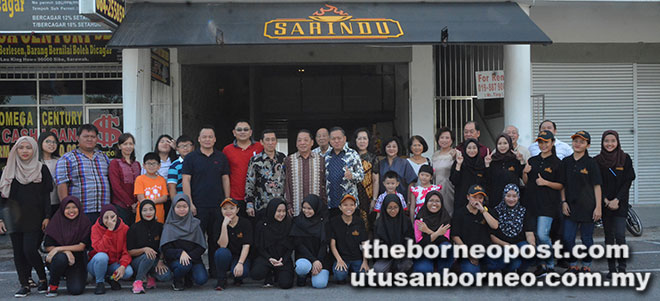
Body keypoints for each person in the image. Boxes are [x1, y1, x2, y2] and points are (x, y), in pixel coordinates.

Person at [0, 136, 53, 297]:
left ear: (34, 149)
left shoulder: (41, 169)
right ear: (16, 149)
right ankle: (24, 283)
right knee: (18, 252)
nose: (24, 151)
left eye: (28, 147)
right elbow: (3, 198)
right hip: (13, 217)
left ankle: (43, 279)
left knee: (29, 249)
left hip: (35, 217)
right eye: (21, 147)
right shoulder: (8, 170)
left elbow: (46, 196)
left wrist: (47, 216)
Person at [182, 126, 230, 278]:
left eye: (210, 137)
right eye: (204, 137)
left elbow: (225, 179)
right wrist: (189, 202)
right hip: (198, 205)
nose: (207, 139)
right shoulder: (191, 158)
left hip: (217, 205)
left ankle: (215, 272)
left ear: (215, 139)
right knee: (196, 239)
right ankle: (194, 271)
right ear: (199, 139)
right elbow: (186, 180)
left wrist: (227, 201)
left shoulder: (221, 157)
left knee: (215, 239)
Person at [522, 131, 563, 276]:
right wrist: (525, 173)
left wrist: (546, 183)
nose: (543, 145)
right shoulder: (532, 160)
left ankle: (550, 264)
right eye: (540, 142)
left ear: (552, 143)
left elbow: (561, 185)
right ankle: (542, 265)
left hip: (548, 205)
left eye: (546, 142)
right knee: (535, 236)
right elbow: (527, 183)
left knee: (542, 235)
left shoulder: (557, 162)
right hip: (532, 204)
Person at [595, 130, 635, 279]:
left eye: (612, 141)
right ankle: (612, 269)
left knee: (620, 235)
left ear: (617, 142)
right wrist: (605, 200)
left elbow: (627, 181)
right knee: (609, 237)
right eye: (606, 141)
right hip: (605, 204)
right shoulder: (597, 160)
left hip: (620, 203)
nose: (609, 144)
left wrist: (617, 199)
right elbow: (597, 183)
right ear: (602, 142)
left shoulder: (625, 158)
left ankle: (622, 268)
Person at [561, 131, 602, 273]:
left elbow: (597, 186)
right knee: (567, 237)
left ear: (588, 145)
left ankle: (586, 264)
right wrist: (563, 202)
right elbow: (562, 185)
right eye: (575, 141)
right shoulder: (566, 162)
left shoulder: (591, 163)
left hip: (588, 207)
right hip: (570, 207)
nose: (577, 144)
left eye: (582, 142)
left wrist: (598, 208)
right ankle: (572, 263)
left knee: (586, 238)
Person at [56, 124, 111, 223]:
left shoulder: (103, 157)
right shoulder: (67, 159)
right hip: (81, 211)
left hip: (104, 212)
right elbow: (62, 184)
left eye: (93, 137)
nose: (89, 139)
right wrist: (67, 209)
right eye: (86, 136)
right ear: (78, 138)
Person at [43, 196, 91, 297]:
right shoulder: (56, 222)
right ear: (62, 209)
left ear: (79, 208)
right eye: (67, 208)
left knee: (76, 290)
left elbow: (81, 246)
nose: (71, 211)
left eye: (74, 207)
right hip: (58, 259)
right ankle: (53, 285)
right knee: (61, 258)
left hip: (77, 261)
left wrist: (59, 248)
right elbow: (47, 247)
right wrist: (66, 252)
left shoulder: (84, 222)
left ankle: (68, 276)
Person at [160, 194, 209, 291]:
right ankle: (177, 280)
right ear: (173, 208)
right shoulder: (169, 225)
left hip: (194, 259)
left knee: (201, 280)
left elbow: (201, 247)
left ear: (189, 207)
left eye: (185, 206)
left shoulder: (195, 223)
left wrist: (188, 256)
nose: (182, 209)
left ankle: (188, 275)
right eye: (178, 207)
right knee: (184, 265)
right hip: (176, 261)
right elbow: (166, 249)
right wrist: (180, 253)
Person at [451, 185, 499, 275]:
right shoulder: (459, 213)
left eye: (480, 198)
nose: (477, 200)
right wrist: (469, 254)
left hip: (485, 250)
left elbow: (495, 226)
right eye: (474, 197)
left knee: (499, 262)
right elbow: (455, 236)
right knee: (472, 274)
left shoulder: (486, 212)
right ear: (468, 197)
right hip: (468, 251)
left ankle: (483, 271)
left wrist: (483, 211)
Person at [127, 199, 172, 294]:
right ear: (140, 212)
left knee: (166, 276)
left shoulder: (160, 227)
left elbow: (163, 246)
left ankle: (149, 275)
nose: (148, 212)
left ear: (155, 211)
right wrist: (144, 249)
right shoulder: (134, 228)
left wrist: (160, 261)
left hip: (155, 260)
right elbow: (130, 251)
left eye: (151, 209)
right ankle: (138, 281)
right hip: (138, 261)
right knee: (149, 255)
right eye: (145, 210)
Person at [488, 184, 536, 273]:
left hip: (519, 243)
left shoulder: (523, 211)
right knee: (514, 262)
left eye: (514, 196)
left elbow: (529, 233)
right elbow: (492, 236)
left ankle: (522, 270)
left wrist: (532, 245)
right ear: (504, 196)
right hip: (502, 245)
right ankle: (506, 270)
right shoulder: (496, 211)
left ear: (518, 197)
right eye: (508, 196)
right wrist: (508, 246)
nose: (511, 199)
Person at [87, 205, 134, 295]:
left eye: (112, 217)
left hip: (113, 263)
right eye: (106, 217)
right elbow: (100, 249)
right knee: (102, 257)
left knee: (128, 272)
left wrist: (123, 265)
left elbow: (126, 251)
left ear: (117, 216)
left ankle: (110, 278)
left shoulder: (124, 228)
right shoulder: (95, 228)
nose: (109, 220)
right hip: (96, 263)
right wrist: (109, 231)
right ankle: (100, 282)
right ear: (101, 218)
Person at [223, 120, 264, 217]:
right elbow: (224, 175)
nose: (242, 132)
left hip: (257, 196)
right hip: (235, 196)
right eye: (239, 130)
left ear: (250, 132)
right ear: (234, 132)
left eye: (246, 130)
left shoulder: (260, 147)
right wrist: (227, 197)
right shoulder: (227, 150)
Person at [250, 198, 294, 289]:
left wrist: (283, 260)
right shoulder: (262, 225)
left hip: (283, 259)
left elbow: (291, 247)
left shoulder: (289, 224)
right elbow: (259, 247)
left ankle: (278, 273)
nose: (281, 214)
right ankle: (268, 273)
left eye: (284, 211)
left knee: (286, 284)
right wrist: (269, 258)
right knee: (256, 274)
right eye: (278, 211)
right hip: (267, 258)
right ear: (272, 210)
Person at [291, 194, 330, 289]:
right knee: (302, 267)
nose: (306, 211)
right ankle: (302, 276)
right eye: (304, 208)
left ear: (316, 208)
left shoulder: (323, 222)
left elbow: (324, 244)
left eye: (309, 208)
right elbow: (299, 245)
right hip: (304, 257)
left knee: (320, 284)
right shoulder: (298, 221)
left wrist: (318, 261)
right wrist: (313, 260)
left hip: (320, 258)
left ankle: (315, 273)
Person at [284, 130, 327, 216]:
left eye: (305, 140)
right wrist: (288, 205)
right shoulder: (289, 160)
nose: (302, 143)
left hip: (316, 210)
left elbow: (324, 184)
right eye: (299, 140)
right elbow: (286, 184)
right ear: (296, 144)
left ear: (312, 142)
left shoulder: (321, 160)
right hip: (295, 208)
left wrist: (323, 204)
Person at [324, 127, 364, 217]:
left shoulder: (353, 154)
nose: (336, 141)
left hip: (349, 202)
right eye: (333, 139)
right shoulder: (326, 156)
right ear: (329, 141)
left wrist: (352, 176)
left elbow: (361, 176)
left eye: (339, 138)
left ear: (345, 139)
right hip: (331, 201)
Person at [329, 195, 369, 283]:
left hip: (357, 258)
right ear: (340, 207)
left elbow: (364, 243)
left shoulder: (359, 221)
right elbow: (332, 244)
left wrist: (365, 261)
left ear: (355, 206)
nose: (349, 207)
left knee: (365, 277)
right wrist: (339, 260)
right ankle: (346, 271)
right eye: (345, 205)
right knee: (340, 276)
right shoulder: (334, 221)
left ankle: (353, 271)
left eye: (352, 205)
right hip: (342, 258)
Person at [214, 198, 252, 290]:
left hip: (240, 256)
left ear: (237, 210)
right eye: (225, 208)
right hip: (226, 255)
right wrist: (224, 226)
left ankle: (237, 277)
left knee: (243, 272)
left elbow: (246, 245)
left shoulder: (245, 223)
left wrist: (240, 263)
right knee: (221, 252)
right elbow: (223, 245)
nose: (228, 211)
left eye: (232, 208)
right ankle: (222, 279)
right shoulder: (218, 223)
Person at [245, 129, 286, 215]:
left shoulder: (283, 158)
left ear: (276, 141)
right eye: (267, 140)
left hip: (280, 207)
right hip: (262, 205)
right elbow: (250, 183)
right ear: (261, 142)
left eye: (273, 139)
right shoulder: (255, 160)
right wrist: (249, 204)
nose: (270, 142)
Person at [412, 191, 453, 273]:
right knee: (424, 271)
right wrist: (438, 233)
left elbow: (445, 240)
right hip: (423, 253)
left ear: (441, 203)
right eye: (431, 200)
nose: (434, 204)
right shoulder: (419, 219)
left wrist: (427, 231)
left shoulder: (445, 218)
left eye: (437, 201)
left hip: (440, 254)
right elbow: (420, 243)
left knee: (446, 247)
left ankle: (442, 274)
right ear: (426, 202)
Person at [373, 194, 414, 273]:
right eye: (389, 208)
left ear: (399, 207)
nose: (393, 211)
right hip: (385, 257)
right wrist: (390, 252)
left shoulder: (406, 221)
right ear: (385, 208)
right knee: (378, 270)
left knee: (407, 265)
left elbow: (410, 240)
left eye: (395, 207)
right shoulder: (378, 223)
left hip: (402, 255)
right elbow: (377, 244)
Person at [350, 128, 380, 232]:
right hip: (352, 195)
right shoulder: (350, 156)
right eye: (359, 139)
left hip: (368, 195)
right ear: (355, 141)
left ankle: (367, 246)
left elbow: (376, 180)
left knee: (368, 225)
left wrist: (374, 199)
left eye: (364, 138)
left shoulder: (373, 158)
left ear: (368, 141)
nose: (362, 141)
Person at [109, 133, 141, 226]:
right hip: (121, 206)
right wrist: (130, 204)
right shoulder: (115, 163)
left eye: (131, 144)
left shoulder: (137, 164)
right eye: (125, 144)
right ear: (119, 146)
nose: (128, 147)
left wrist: (137, 203)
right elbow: (116, 187)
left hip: (136, 206)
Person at [485, 134, 524, 207]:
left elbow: (522, 176)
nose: (502, 146)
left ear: (509, 144)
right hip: (496, 198)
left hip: (512, 200)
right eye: (499, 143)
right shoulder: (492, 160)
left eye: (505, 143)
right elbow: (487, 180)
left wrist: (521, 161)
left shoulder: (515, 160)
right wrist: (487, 165)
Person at [450, 138, 486, 211]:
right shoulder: (459, 162)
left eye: (474, 148)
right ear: (465, 149)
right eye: (469, 148)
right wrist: (459, 165)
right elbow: (454, 181)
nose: (472, 150)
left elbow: (486, 182)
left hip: (477, 201)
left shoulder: (481, 163)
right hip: (461, 199)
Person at [379, 137, 417, 202]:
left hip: (401, 200)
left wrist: (409, 201)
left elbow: (411, 183)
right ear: (385, 148)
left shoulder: (404, 163)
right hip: (383, 200)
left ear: (398, 148)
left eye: (394, 147)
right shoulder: (380, 163)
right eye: (388, 146)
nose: (391, 149)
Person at [134, 152, 168, 223]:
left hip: (158, 214)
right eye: (149, 163)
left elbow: (164, 197)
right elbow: (140, 198)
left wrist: (152, 202)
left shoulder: (162, 180)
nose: (151, 166)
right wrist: (151, 205)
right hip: (143, 215)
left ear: (159, 166)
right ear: (144, 165)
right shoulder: (139, 179)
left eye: (154, 164)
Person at [432, 127, 457, 216]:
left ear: (451, 140)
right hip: (436, 186)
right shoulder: (435, 155)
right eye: (442, 137)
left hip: (449, 187)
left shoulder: (455, 153)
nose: (444, 140)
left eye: (447, 138)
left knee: (449, 211)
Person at [38, 132, 60, 215]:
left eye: (54, 142)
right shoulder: (36, 162)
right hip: (40, 203)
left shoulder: (60, 161)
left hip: (57, 201)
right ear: (41, 143)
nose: (51, 144)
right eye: (48, 141)